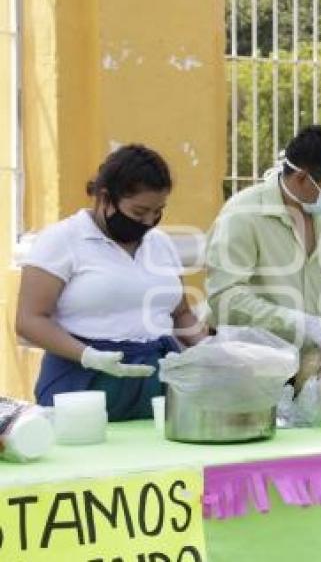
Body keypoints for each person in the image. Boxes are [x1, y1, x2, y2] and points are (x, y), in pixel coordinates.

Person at [16, 145, 207, 421]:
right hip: (83, 381)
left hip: (155, 380)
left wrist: (211, 350)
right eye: (139, 212)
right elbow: (30, 319)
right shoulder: (62, 240)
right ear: (105, 199)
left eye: (158, 211)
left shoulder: (161, 244)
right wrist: (89, 356)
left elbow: (180, 313)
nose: (149, 221)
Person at [205, 125, 321, 350]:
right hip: (252, 361)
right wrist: (295, 323)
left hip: (314, 362)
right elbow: (225, 297)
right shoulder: (243, 214)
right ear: (301, 178)